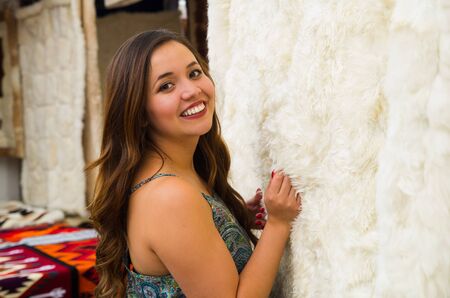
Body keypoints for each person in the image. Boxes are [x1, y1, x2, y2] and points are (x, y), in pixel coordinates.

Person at [88, 29, 301, 297]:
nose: (191, 90)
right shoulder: (170, 197)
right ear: (139, 113)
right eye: (166, 86)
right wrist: (279, 223)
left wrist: (228, 224)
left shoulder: (170, 173)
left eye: (194, 73)